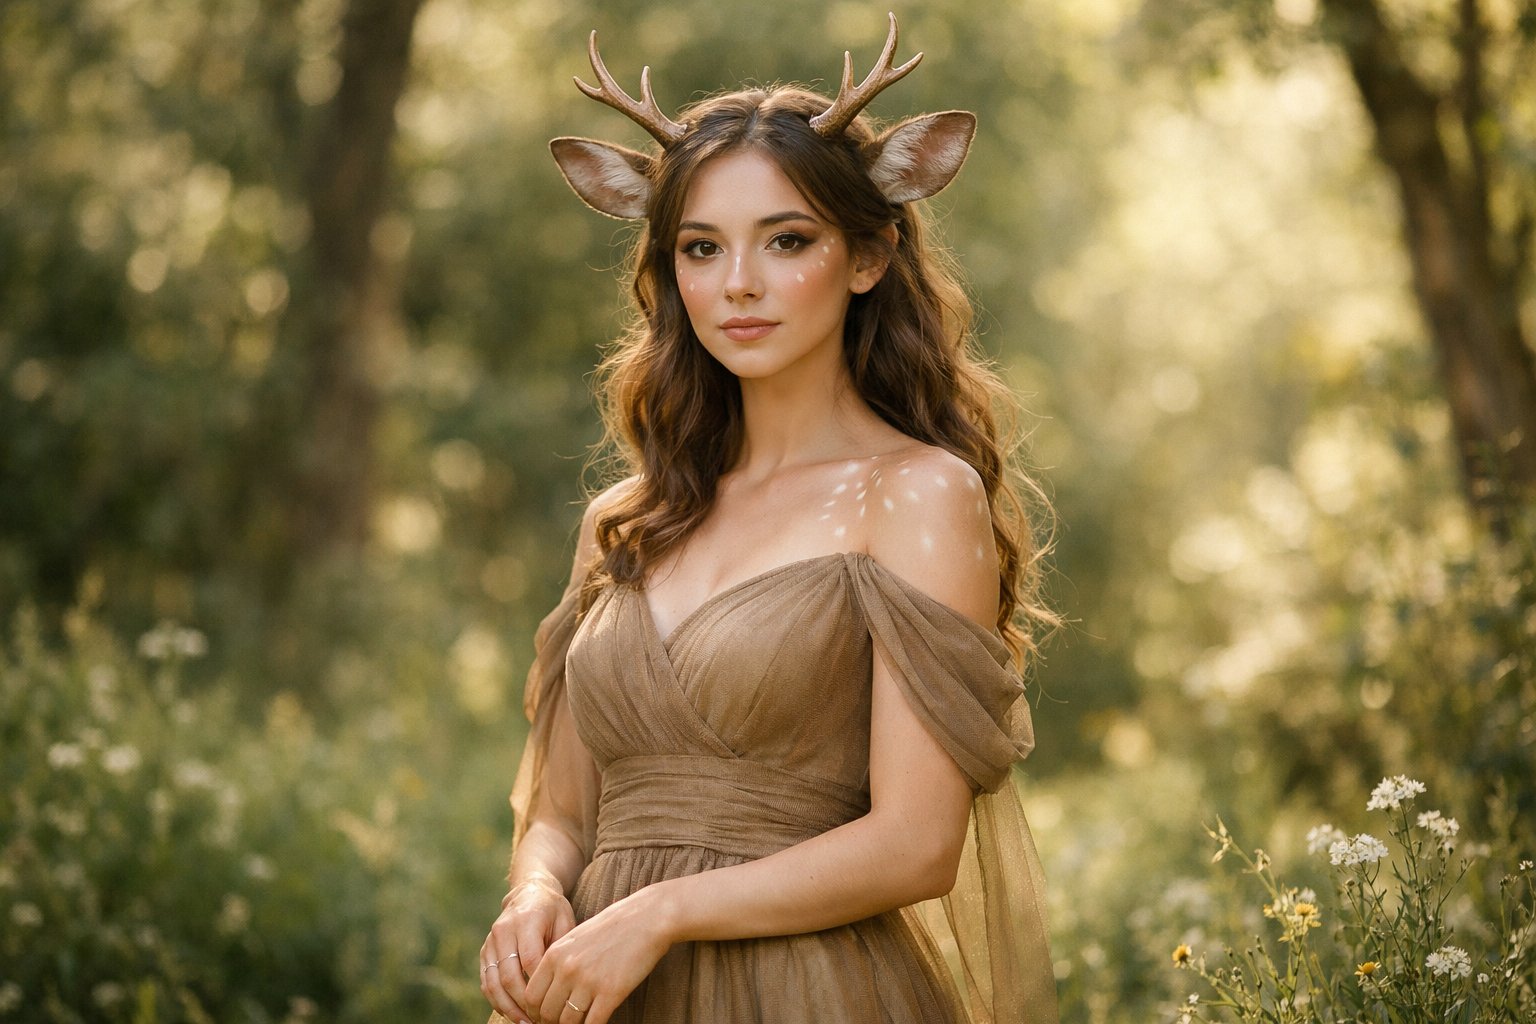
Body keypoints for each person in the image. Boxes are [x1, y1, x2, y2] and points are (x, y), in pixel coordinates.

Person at [480, 15, 1059, 1024]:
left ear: (868, 257)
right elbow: (563, 811)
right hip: (592, 990)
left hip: (804, 992)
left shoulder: (914, 495)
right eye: (702, 248)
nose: (737, 283)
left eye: (786, 240)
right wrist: (533, 892)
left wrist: (660, 913)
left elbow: (917, 845)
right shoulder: (624, 522)